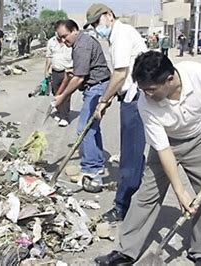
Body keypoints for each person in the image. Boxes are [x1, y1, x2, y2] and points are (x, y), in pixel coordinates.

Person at [95, 51, 201, 266]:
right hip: (166, 141)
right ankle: (125, 251)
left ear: (170, 79)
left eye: (152, 89)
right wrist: (179, 191)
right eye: (142, 89)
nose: (147, 94)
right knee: (146, 196)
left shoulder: (200, 74)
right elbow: (163, 150)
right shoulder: (145, 104)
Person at [83, 3, 147, 223]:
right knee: (134, 153)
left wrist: (102, 100)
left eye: (97, 22)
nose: (95, 28)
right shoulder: (118, 35)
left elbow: (120, 74)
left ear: (109, 15)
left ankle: (122, 206)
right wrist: (112, 96)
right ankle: (136, 197)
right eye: (92, 25)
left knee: (130, 155)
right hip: (131, 96)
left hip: (136, 98)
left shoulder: (121, 34)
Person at [53, 19, 110, 181]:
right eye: (60, 38)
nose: (64, 41)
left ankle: (91, 170)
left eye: (65, 36)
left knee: (84, 130)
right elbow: (81, 70)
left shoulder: (82, 45)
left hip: (97, 88)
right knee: (92, 128)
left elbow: (79, 78)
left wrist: (62, 97)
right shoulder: (81, 42)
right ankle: (97, 164)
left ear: (74, 30)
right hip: (96, 86)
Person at [44, 20, 73, 127]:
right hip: (55, 71)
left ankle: (65, 117)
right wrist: (46, 70)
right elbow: (49, 57)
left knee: (65, 95)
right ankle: (59, 112)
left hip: (68, 72)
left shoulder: (69, 41)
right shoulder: (51, 42)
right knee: (56, 93)